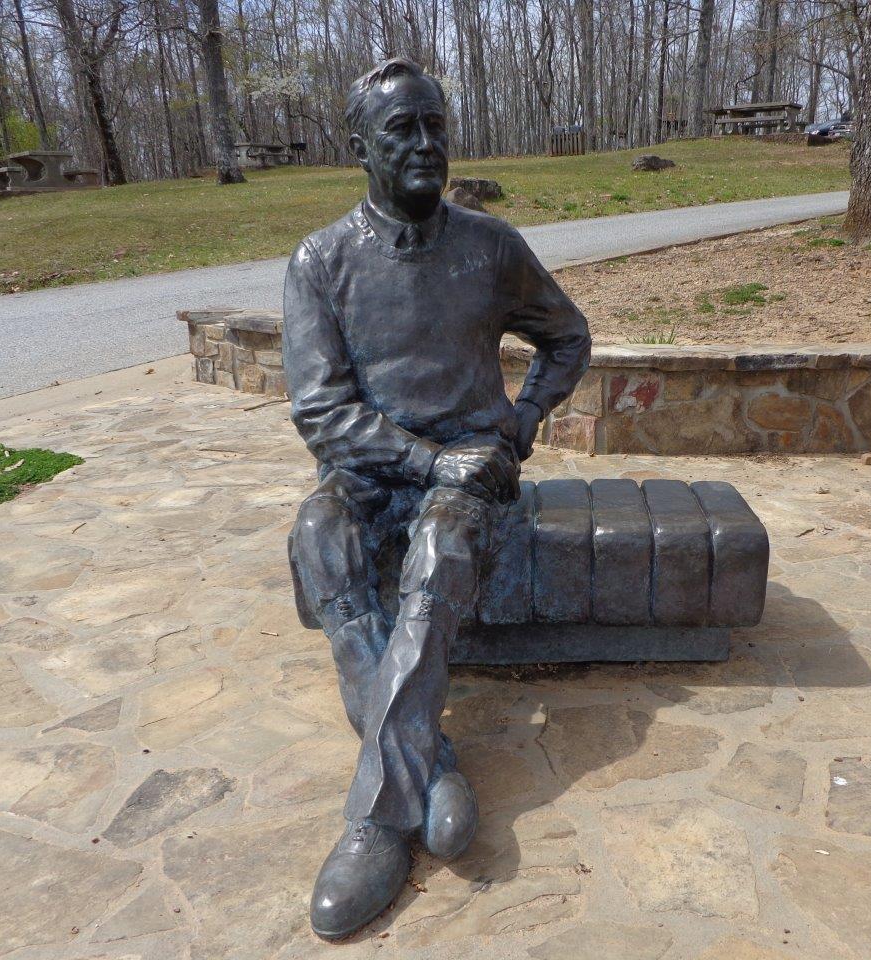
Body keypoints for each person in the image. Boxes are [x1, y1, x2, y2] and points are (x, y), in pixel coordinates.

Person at [282, 58, 591, 940]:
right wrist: (422, 465)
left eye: (435, 126)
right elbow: (322, 412)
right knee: (319, 535)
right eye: (401, 130)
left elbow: (567, 338)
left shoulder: (491, 247)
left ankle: (377, 821)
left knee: (442, 547)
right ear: (359, 149)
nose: (426, 145)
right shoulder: (321, 261)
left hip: (472, 470)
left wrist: (521, 424)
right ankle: (431, 767)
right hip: (371, 470)